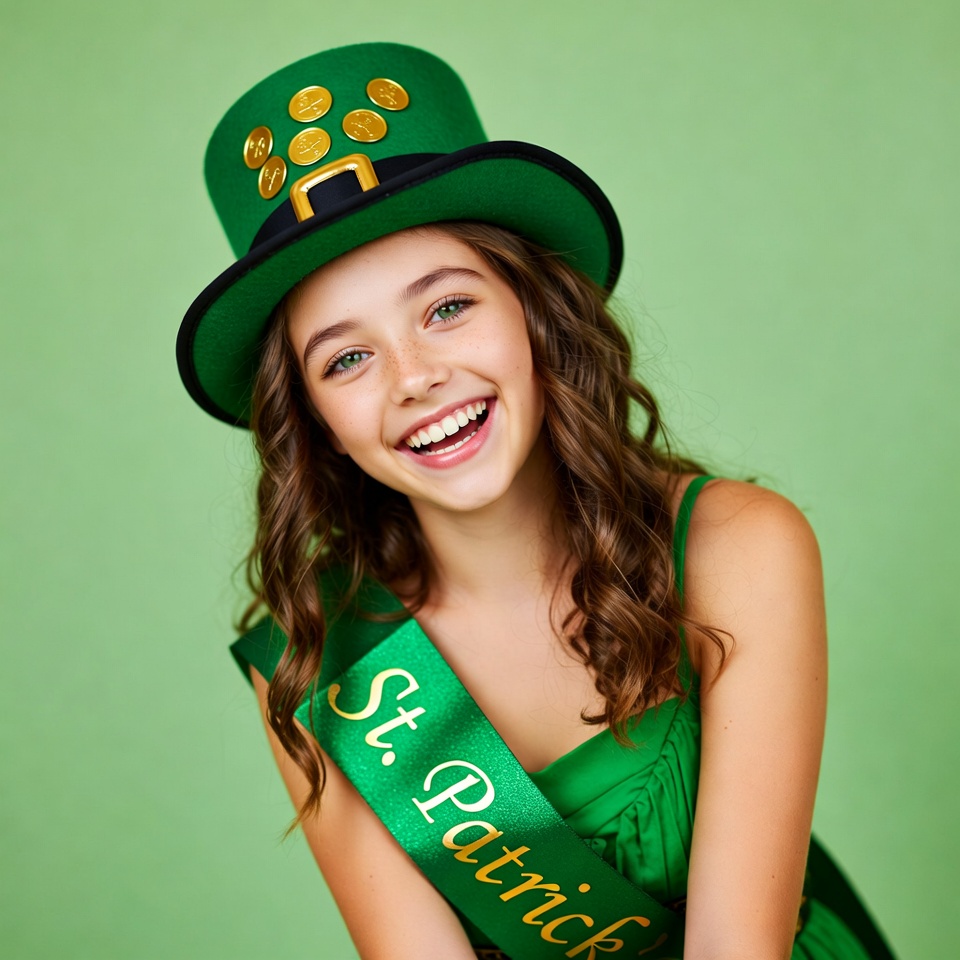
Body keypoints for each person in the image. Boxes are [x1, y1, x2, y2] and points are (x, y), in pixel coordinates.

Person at [178, 42, 896, 960]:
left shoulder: (738, 547)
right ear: (314, 420)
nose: (415, 378)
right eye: (347, 358)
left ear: (536, 310)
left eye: (446, 308)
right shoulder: (321, 662)